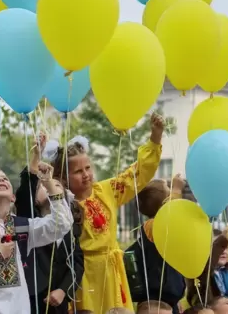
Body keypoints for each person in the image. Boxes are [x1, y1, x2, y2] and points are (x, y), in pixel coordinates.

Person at [45, 112, 164, 313]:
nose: (86, 175)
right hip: (84, 274)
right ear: (62, 176)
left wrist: (155, 137)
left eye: (88, 168)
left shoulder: (106, 190)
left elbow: (137, 174)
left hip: (113, 270)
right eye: (78, 171)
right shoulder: (60, 205)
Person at [0, 165, 74, 314]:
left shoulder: (23, 227)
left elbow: (62, 224)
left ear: (12, 197)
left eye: (4, 178)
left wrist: (49, 185)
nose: (0, 179)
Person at [15, 133, 84, 314]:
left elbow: (77, 265)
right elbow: (25, 192)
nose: (50, 187)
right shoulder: (29, 220)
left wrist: (63, 290)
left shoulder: (72, 228)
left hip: (58, 302)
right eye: (44, 186)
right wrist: (36, 157)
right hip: (32, 298)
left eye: (57, 187)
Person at [127, 174, 187, 314]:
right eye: (168, 188)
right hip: (155, 304)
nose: (171, 188)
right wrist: (177, 190)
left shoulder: (155, 226)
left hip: (167, 300)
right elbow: (170, 216)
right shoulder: (154, 226)